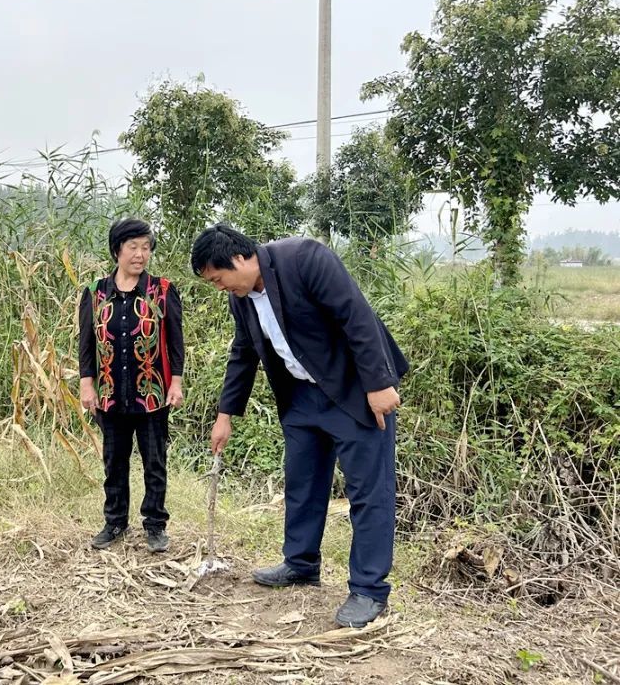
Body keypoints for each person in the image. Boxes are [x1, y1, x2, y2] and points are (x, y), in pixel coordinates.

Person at [190, 224, 408, 628]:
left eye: (218, 279)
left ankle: (368, 590)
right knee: (303, 482)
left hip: (354, 389)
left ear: (238, 259)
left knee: (368, 491)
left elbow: (356, 315)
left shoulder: (304, 258)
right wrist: (225, 415)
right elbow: (243, 353)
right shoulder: (241, 296)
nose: (219, 288)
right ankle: (301, 563)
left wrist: (379, 384)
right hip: (302, 397)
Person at [79, 218, 185, 553]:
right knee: (114, 462)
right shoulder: (96, 293)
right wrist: (87, 385)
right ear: (117, 251)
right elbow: (86, 343)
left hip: (152, 393)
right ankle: (114, 523)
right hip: (110, 394)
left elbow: (175, 343)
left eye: (146, 247)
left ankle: (155, 525)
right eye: (132, 247)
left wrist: (176, 383)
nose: (140, 255)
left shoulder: (163, 290)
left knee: (155, 462)